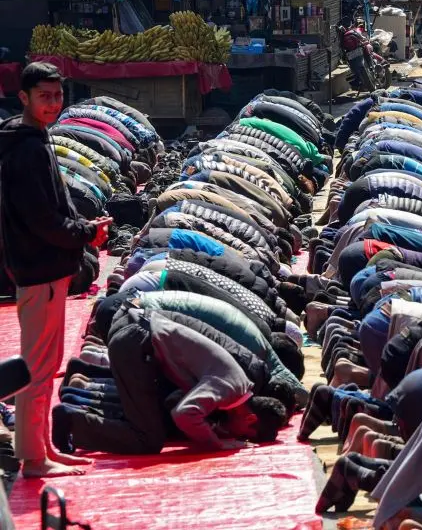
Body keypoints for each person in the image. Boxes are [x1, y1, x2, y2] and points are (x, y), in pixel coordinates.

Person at [1, 62, 111, 478]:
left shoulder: (32, 139)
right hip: (39, 269)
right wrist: (85, 232)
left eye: (58, 95)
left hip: (42, 267)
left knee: (45, 365)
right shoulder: (26, 148)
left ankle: (42, 447)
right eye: (44, 96)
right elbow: (43, 219)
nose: (53, 104)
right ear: (24, 97)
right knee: (37, 367)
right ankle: (33, 458)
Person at [51, 308, 289, 455]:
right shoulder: (231, 387)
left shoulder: (238, 383)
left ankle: (79, 400)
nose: (237, 437)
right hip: (136, 340)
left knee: (148, 418)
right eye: (244, 435)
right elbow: (183, 413)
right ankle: (72, 421)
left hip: (135, 330)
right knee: (148, 439)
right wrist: (218, 443)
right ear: (250, 419)